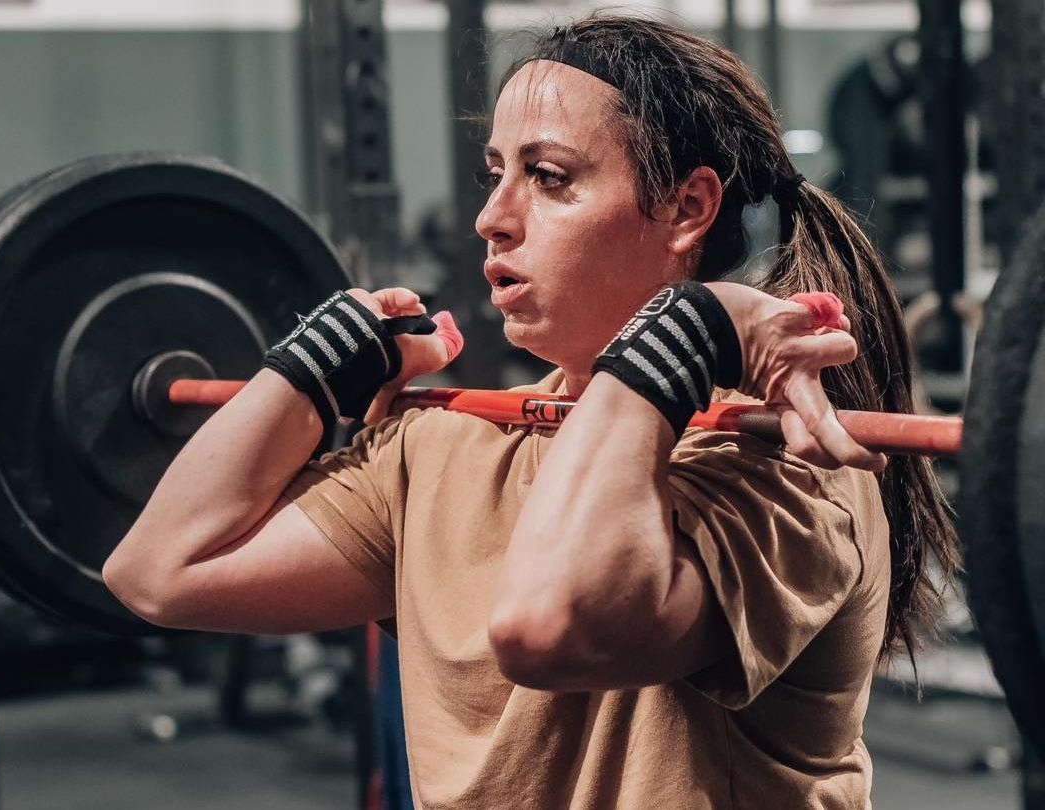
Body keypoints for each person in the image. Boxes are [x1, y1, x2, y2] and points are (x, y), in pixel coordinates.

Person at [104, 15, 957, 809]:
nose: (491, 219)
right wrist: (308, 373)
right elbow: (158, 572)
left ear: (687, 209)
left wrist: (688, 334)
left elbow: (548, 629)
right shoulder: (448, 446)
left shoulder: (788, 471)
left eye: (549, 179)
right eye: (495, 175)